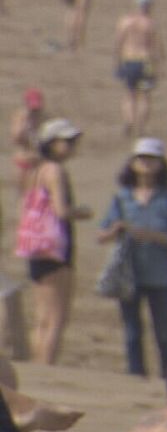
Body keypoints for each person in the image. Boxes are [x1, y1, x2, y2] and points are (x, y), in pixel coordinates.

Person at [97, 138, 167, 378]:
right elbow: (101, 234)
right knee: (131, 332)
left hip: (161, 276)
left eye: (152, 159)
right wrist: (115, 230)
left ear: (161, 164)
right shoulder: (122, 197)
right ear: (132, 163)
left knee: (164, 333)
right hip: (129, 275)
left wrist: (152, 236)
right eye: (141, 158)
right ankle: (135, 376)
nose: (146, 164)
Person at [23, 119, 92, 365]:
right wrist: (82, 212)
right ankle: (46, 367)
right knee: (56, 318)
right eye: (68, 142)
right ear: (52, 144)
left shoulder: (37, 170)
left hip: (36, 248)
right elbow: (61, 211)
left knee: (42, 317)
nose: (73, 146)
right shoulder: (55, 170)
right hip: (55, 248)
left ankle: (38, 364)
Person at [113, 0, 163, 138]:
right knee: (145, 96)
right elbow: (156, 47)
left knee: (129, 94)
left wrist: (117, 62)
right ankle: (141, 126)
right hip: (145, 61)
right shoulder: (150, 23)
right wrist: (159, 65)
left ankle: (128, 121)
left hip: (129, 60)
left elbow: (118, 43)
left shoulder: (125, 21)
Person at [11, 87, 46, 191]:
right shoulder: (20, 117)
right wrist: (25, 125)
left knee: (37, 195)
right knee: (24, 197)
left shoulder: (43, 118)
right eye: (32, 107)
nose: (35, 110)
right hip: (23, 161)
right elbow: (16, 138)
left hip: (38, 162)